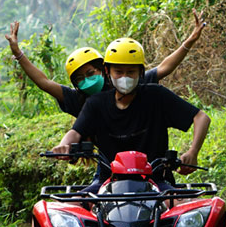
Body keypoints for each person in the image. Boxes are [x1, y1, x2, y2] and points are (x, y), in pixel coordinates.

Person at [51, 38, 211, 193]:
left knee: (181, 208)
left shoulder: (157, 96)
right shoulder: (96, 103)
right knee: (71, 210)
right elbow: (75, 132)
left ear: (141, 72)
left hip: (156, 182)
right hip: (108, 184)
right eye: (118, 72)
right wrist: (64, 145)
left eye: (131, 72)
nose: (124, 77)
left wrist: (193, 152)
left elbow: (201, 117)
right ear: (107, 71)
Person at [4, 10, 207, 117]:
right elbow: (44, 82)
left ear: (105, 70)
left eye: (91, 73)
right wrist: (19, 54)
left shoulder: (127, 82)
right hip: (107, 167)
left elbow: (165, 67)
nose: (87, 80)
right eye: (80, 78)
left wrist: (189, 41)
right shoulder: (78, 100)